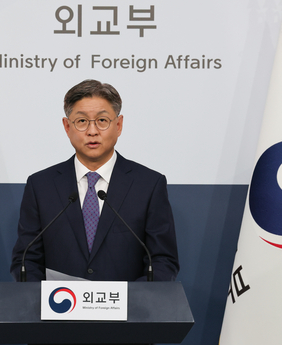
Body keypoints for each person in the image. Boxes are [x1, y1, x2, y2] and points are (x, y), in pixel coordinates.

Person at [10, 79, 179, 282]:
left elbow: (162, 261)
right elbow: (26, 260)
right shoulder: (41, 186)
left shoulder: (148, 185)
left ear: (118, 125)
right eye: (81, 121)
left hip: (129, 311)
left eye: (102, 120)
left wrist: (128, 302)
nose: (92, 131)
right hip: (59, 309)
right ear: (67, 126)